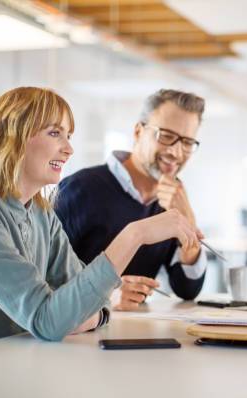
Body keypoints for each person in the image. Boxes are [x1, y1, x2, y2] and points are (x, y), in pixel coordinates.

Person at [0, 87, 200, 358]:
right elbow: (51, 321)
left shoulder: (41, 213)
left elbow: (89, 300)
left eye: (68, 136)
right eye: (55, 133)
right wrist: (134, 235)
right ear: (12, 137)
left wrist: (85, 309)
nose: (68, 149)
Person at [55, 89, 207, 310]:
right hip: (74, 335)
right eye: (166, 136)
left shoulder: (171, 202)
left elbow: (186, 289)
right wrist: (104, 296)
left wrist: (188, 222)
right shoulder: (79, 188)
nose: (176, 152)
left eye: (187, 142)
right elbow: (46, 275)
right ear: (138, 132)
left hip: (134, 334)